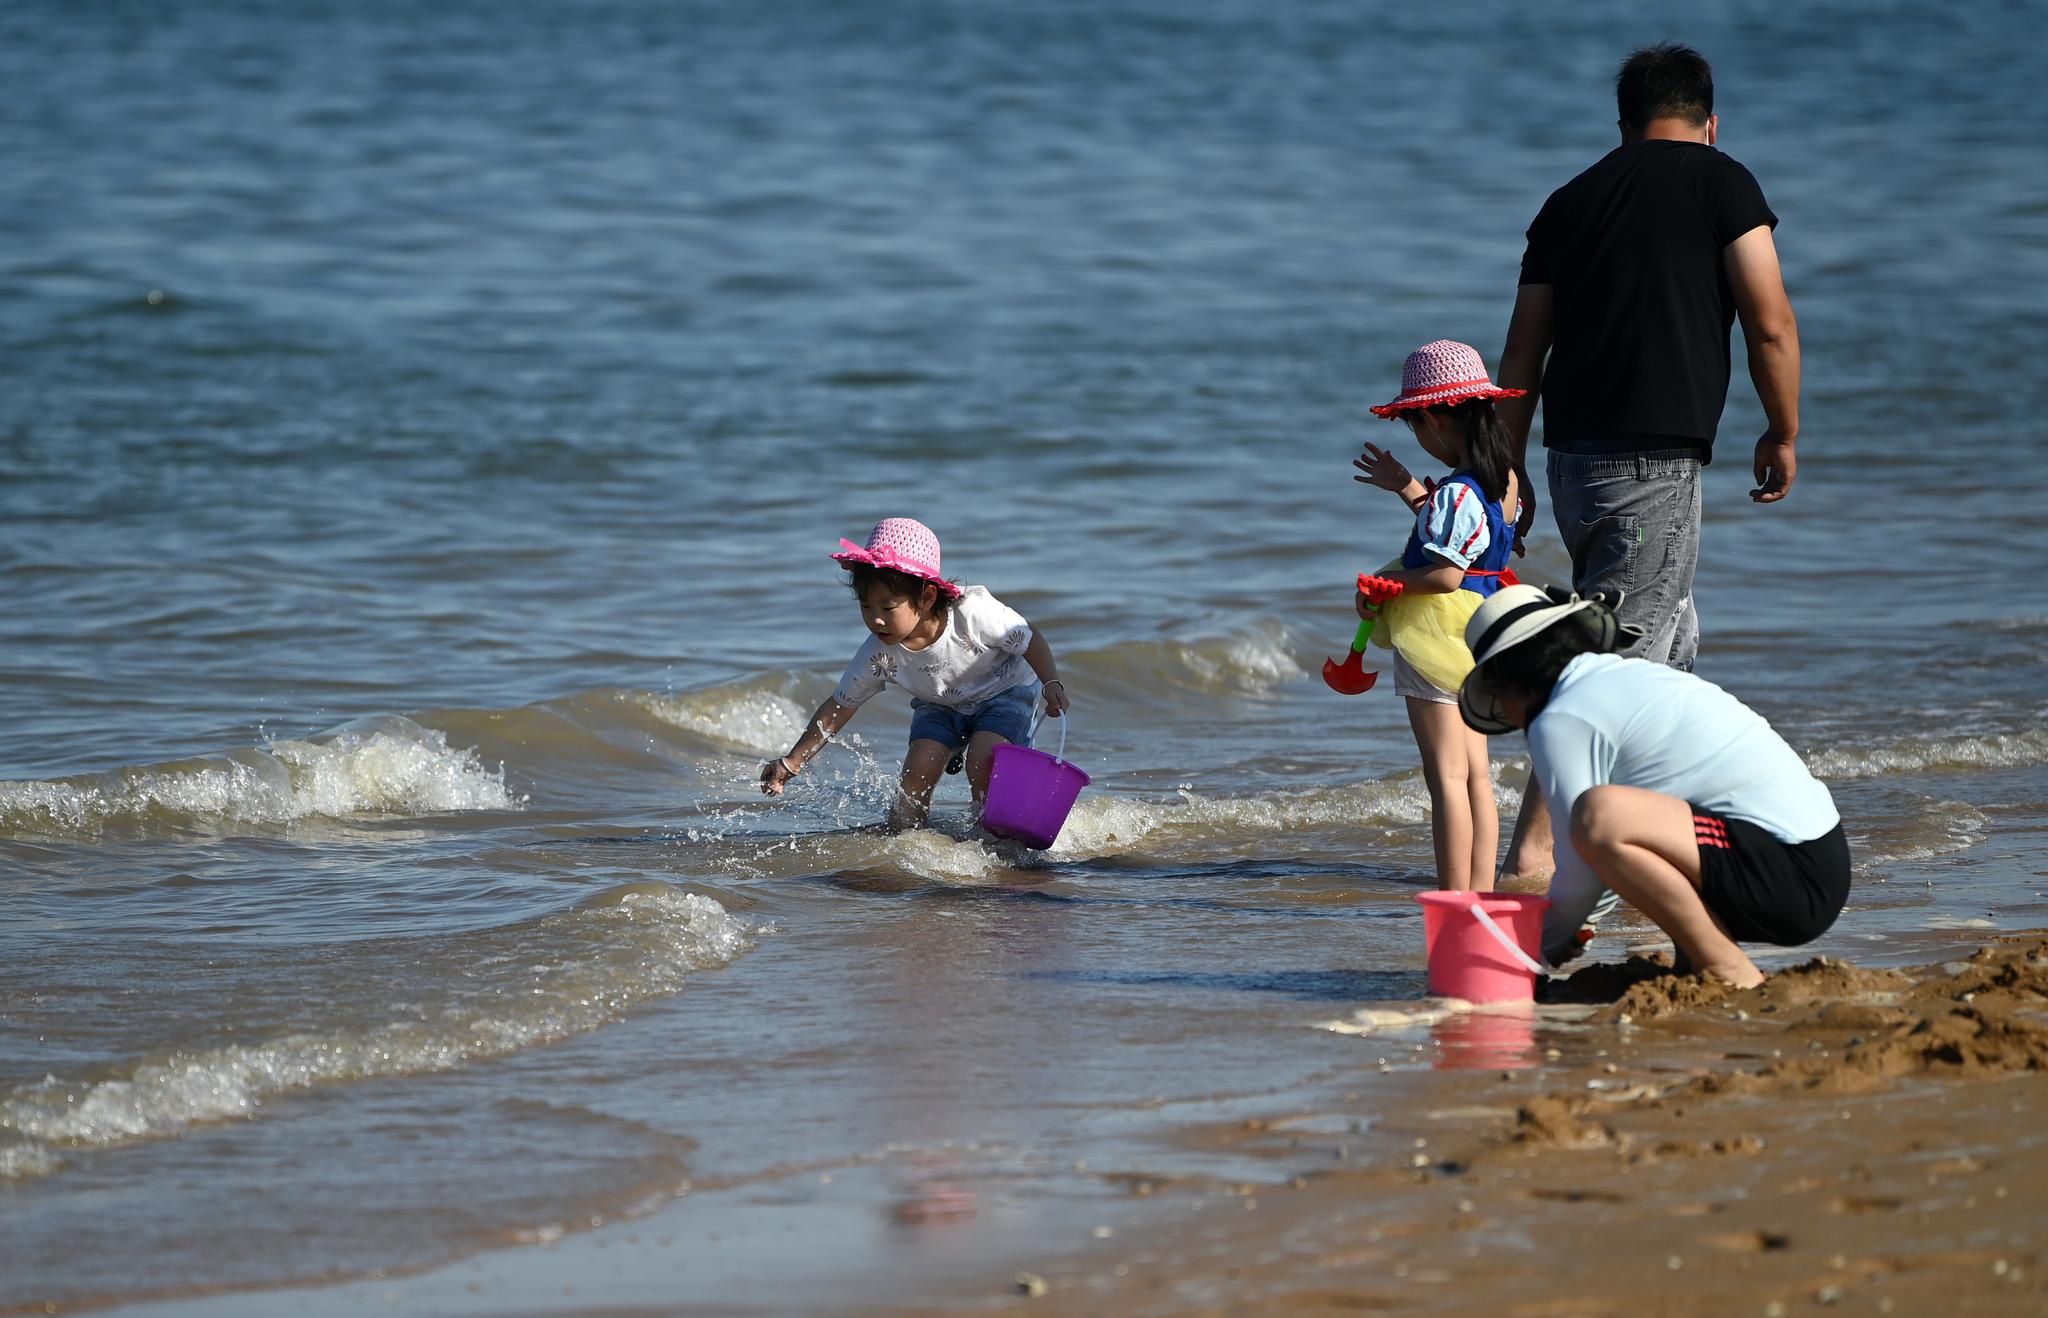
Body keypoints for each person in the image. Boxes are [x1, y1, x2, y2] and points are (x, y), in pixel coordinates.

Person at [1492, 42, 1803, 883]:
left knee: (1673, 651)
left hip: (1571, 461)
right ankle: (1533, 864)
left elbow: (1522, 352)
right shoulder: (1723, 181)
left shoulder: (1569, 201)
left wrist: (1509, 469)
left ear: (1623, 125)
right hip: (1655, 464)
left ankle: (1659, 837)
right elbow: (1769, 318)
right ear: (1710, 121)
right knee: (1611, 673)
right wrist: (1782, 429)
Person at [1457, 583, 1848, 988]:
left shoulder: (1562, 716)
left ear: (1508, 684)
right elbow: (1607, 856)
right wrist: (1577, 928)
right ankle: (1697, 958)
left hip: (1791, 877)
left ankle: (1728, 968)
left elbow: (1583, 852)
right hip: (1815, 862)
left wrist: (1534, 952)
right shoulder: (1621, 678)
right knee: (1613, 813)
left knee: (1599, 814)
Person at [760, 517, 1069, 829]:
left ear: (927, 597)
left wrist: (1051, 681)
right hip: (939, 704)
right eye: (866, 607)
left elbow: (1029, 638)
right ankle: (905, 836)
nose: (875, 620)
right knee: (918, 770)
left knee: (983, 760)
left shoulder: (972, 614)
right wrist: (792, 762)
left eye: (887, 608)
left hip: (1003, 693)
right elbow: (839, 707)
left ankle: (991, 836)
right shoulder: (878, 653)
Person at [1350, 340, 1524, 893]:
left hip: (1433, 631)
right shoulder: (1506, 482)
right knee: (1476, 776)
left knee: (1445, 778)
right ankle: (1481, 894)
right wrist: (1407, 488)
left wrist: (1384, 585)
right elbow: (1467, 546)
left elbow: (1444, 574)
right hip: (1482, 626)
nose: (1420, 440)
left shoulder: (1454, 492)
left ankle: (1453, 897)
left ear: (1431, 418)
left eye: (1416, 428)